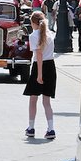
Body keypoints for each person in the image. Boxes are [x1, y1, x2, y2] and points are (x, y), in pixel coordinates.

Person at [23, 11, 57, 140]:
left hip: (39, 67)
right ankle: (51, 128)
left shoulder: (33, 35)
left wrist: (39, 74)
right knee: (46, 101)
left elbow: (39, 55)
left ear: (33, 23)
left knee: (33, 99)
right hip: (51, 66)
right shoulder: (50, 34)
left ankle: (31, 127)